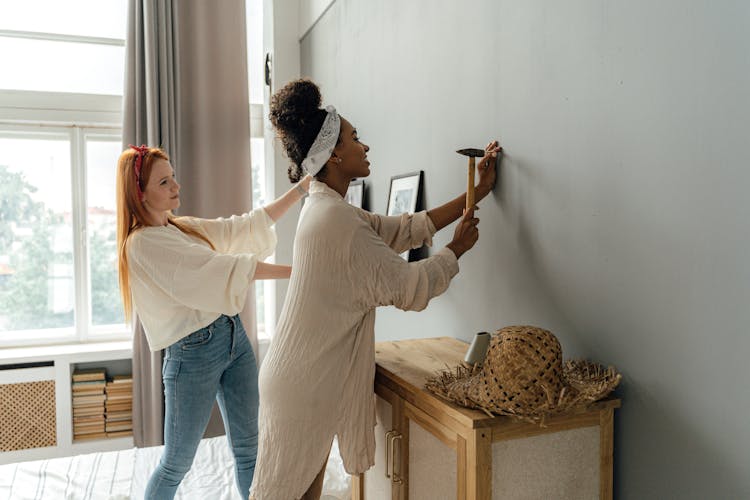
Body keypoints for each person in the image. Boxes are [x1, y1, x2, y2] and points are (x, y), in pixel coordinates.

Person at [248, 79, 501, 500]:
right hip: (303, 388)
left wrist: (477, 193)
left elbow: (402, 231)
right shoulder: (336, 220)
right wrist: (457, 248)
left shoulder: (326, 209)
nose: (364, 146)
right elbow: (411, 287)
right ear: (333, 154)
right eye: (354, 138)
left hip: (295, 380)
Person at [115, 145, 309, 500]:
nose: (176, 186)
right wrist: (301, 272)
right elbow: (223, 269)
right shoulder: (140, 245)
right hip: (191, 357)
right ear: (139, 193)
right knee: (176, 462)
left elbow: (241, 228)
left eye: (173, 177)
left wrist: (302, 189)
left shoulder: (181, 228)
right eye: (164, 181)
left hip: (233, 339)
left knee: (251, 449)